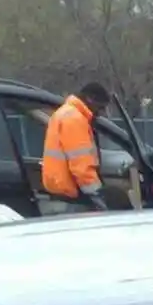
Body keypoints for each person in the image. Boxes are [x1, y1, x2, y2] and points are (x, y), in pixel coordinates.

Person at [41, 80, 112, 213]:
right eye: (100, 107)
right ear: (90, 99)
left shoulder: (64, 113)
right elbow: (81, 165)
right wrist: (97, 194)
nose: (101, 112)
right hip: (71, 196)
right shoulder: (75, 119)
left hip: (60, 190)